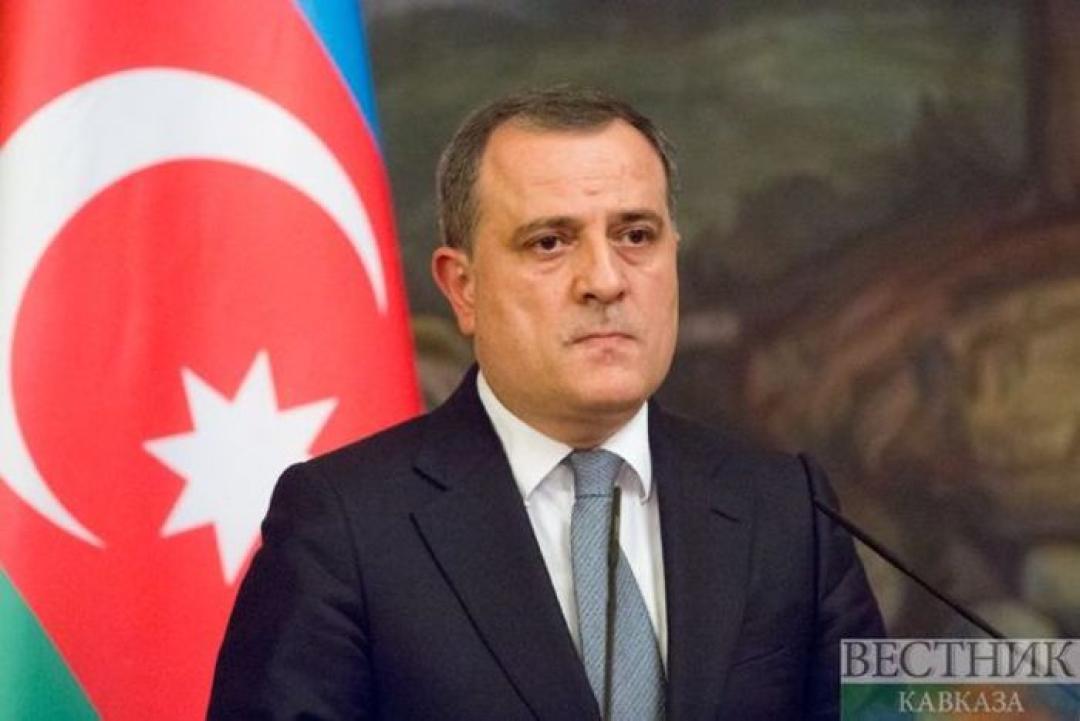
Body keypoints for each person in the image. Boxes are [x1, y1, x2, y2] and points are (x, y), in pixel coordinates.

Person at [208, 87, 884, 721]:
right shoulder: (343, 526)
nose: (605, 281)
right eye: (550, 242)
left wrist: (950, 690)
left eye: (636, 235)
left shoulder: (787, 508)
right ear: (463, 287)